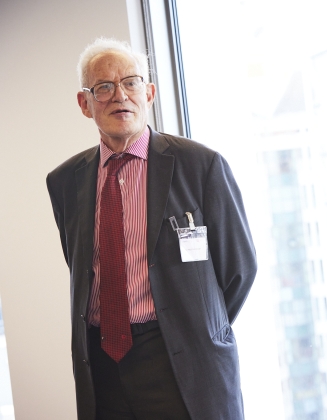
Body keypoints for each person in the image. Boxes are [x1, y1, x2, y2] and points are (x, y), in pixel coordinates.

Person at [46, 37, 257, 420]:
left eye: (130, 82)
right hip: (102, 367)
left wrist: (195, 328)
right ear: (85, 103)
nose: (119, 96)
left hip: (181, 363)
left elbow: (238, 270)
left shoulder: (201, 166)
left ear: (150, 92)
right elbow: (80, 266)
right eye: (103, 87)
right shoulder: (64, 181)